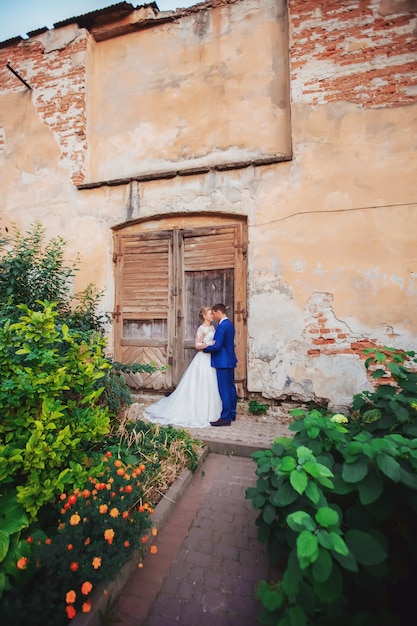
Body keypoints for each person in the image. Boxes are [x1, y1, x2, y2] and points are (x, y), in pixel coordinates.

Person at [143, 306, 222, 428]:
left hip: (210, 359)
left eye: (212, 313)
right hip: (202, 358)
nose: (212, 315)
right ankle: (196, 411)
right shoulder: (202, 329)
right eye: (210, 313)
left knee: (209, 383)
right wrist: (209, 344)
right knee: (200, 383)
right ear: (204, 316)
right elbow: (197, 345)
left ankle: (209, 411)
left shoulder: (212, 327)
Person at [203, 303, 237, 426]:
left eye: (214, 313)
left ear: (218, 312)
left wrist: (205, 349)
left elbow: (217, 346)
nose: (213, 315)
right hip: (230, 360)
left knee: (224, 390)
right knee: (231, 388)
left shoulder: (222, 326)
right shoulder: (229, 324)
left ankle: (225, 418)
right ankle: (232, 413)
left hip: (223, 362)